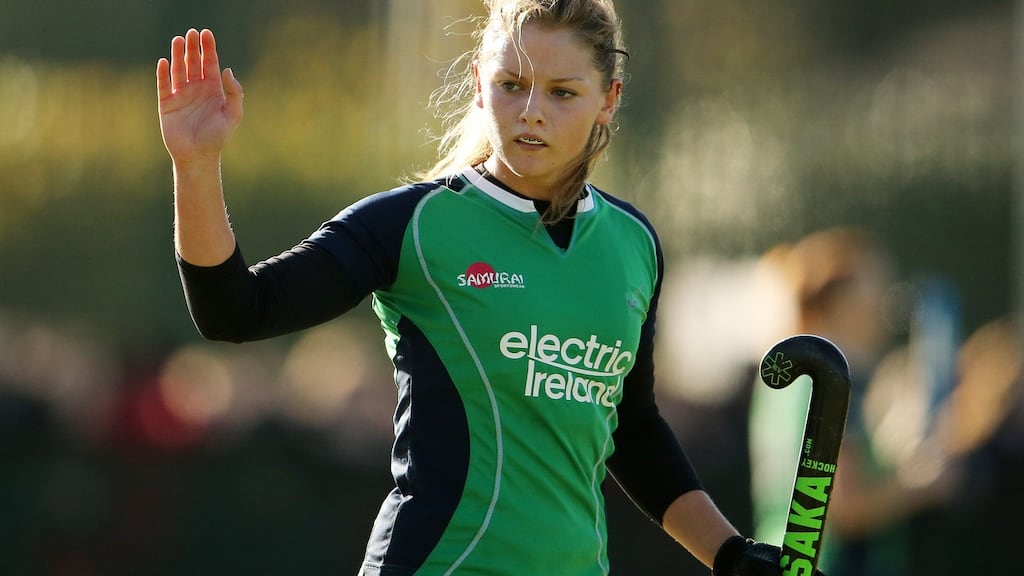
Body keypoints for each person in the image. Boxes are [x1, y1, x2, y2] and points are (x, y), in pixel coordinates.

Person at [156, 2, 813, 574]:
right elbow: (235, 310)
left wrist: (730, 554)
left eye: (563, 92)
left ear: (607, 99)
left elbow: (633, 430)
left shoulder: (633, 243)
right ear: (478, 85)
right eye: (511, 85)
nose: (532, 113)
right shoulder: (413, 223)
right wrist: (196, 163)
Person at [748, 227, 1020, 575]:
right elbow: (840, 507)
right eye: (877, 285)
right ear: (841, 300)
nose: (887, 300)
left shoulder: (803, 373)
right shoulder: (830, 380)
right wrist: (920, 487)